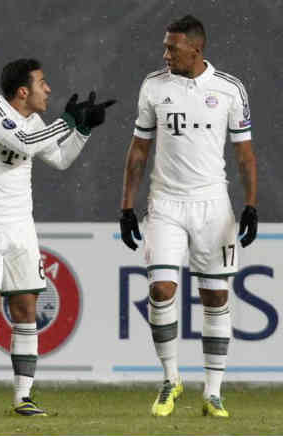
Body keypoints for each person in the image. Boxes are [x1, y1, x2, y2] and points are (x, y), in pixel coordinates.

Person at [119, 15, 257, 418]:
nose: (165, 55)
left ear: (196, 49)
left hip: (214, 206)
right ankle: (170, 379)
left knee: (215, 297)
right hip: (165, 204)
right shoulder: (153, 86)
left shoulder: (229, 89)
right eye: (165, 47)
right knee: (161, 290)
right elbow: (139, 150)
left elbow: (245, 155)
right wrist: (127, 206)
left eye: (172, 48)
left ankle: (213, 393)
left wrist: (251, 204)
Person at [0, 58, 114, 416]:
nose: (48, 89)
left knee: (26, 310)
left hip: (20, 228)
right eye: (42, 83)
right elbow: (27, 144)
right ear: (22, 91)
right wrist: (67, 121)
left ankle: (22, 396)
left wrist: (82, 131)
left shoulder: (35, 121)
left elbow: (59, 159)